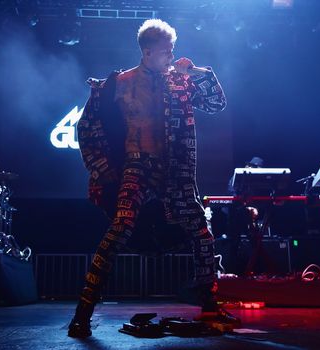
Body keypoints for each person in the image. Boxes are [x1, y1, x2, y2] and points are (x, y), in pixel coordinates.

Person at [70, 19, 229, 337]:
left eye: (173, 49)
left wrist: (200, 73)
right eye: (166, 50)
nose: (172, 55)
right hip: (137, 165)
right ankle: (84, 312)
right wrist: (103, 169)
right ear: (147, 51)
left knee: (201, 233)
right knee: (119, 229)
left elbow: (216, 103)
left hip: (176, 168)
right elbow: (85, 128)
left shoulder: (181, 82)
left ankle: (210, 304)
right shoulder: (119, 83)